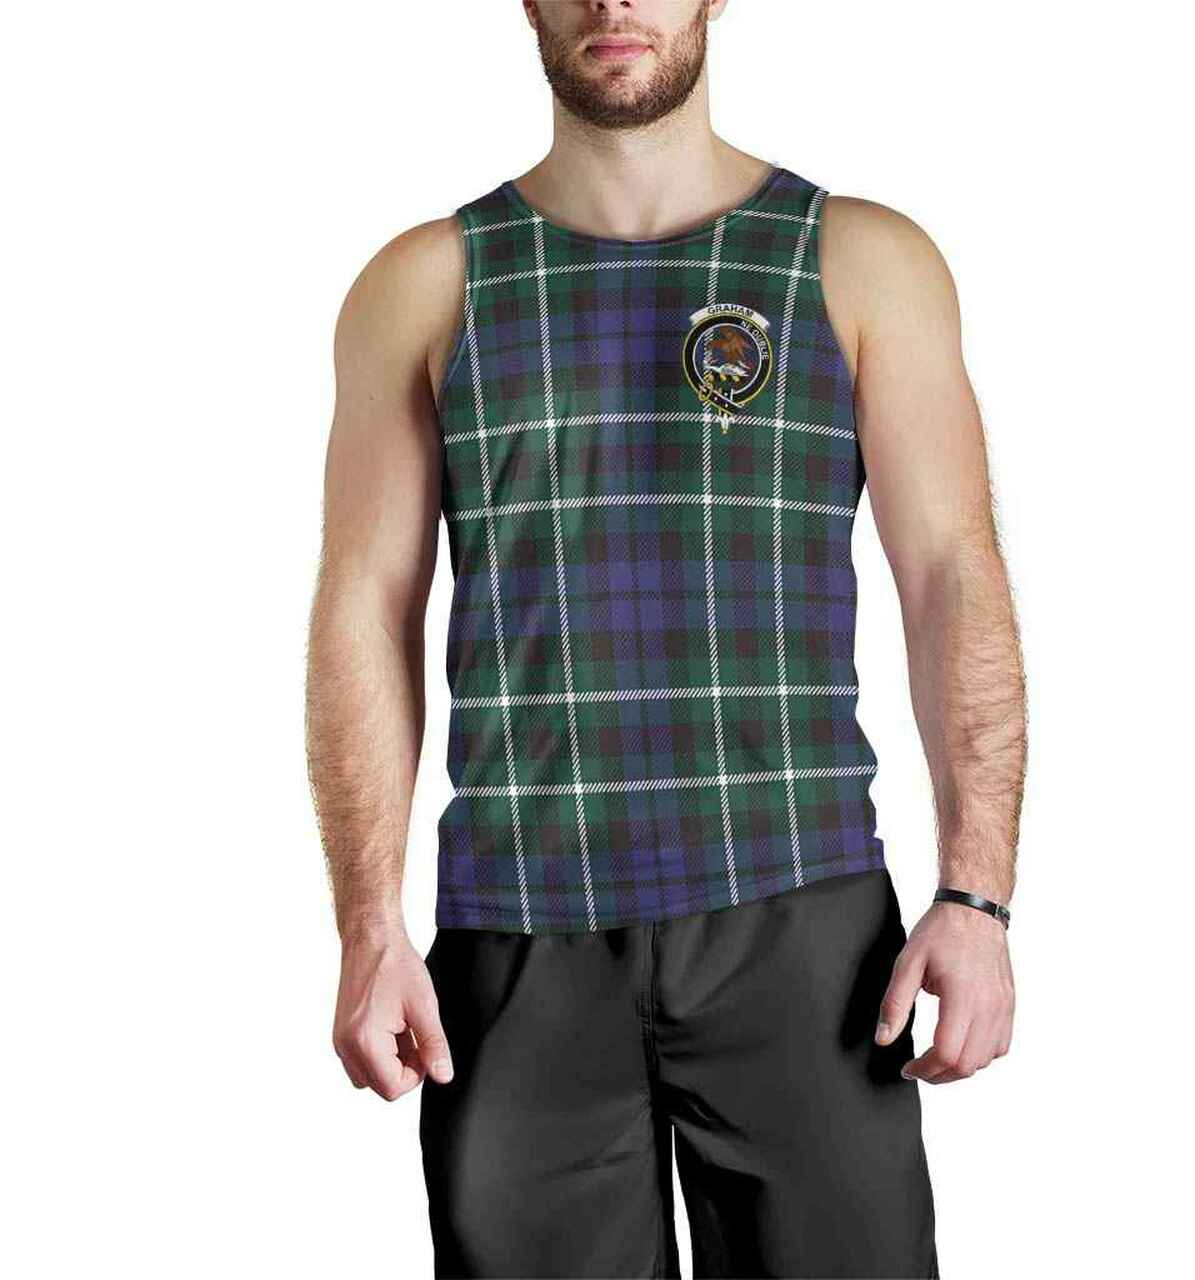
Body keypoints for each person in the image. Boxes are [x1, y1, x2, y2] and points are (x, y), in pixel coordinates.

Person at [305, 2, 1026, 1275]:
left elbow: (949, 579)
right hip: (519, 935)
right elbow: (364, 603)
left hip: (801, 920)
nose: (613, 1)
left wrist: (975, 896)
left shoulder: (857, 261)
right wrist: (368, 923)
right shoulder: (424, 284)